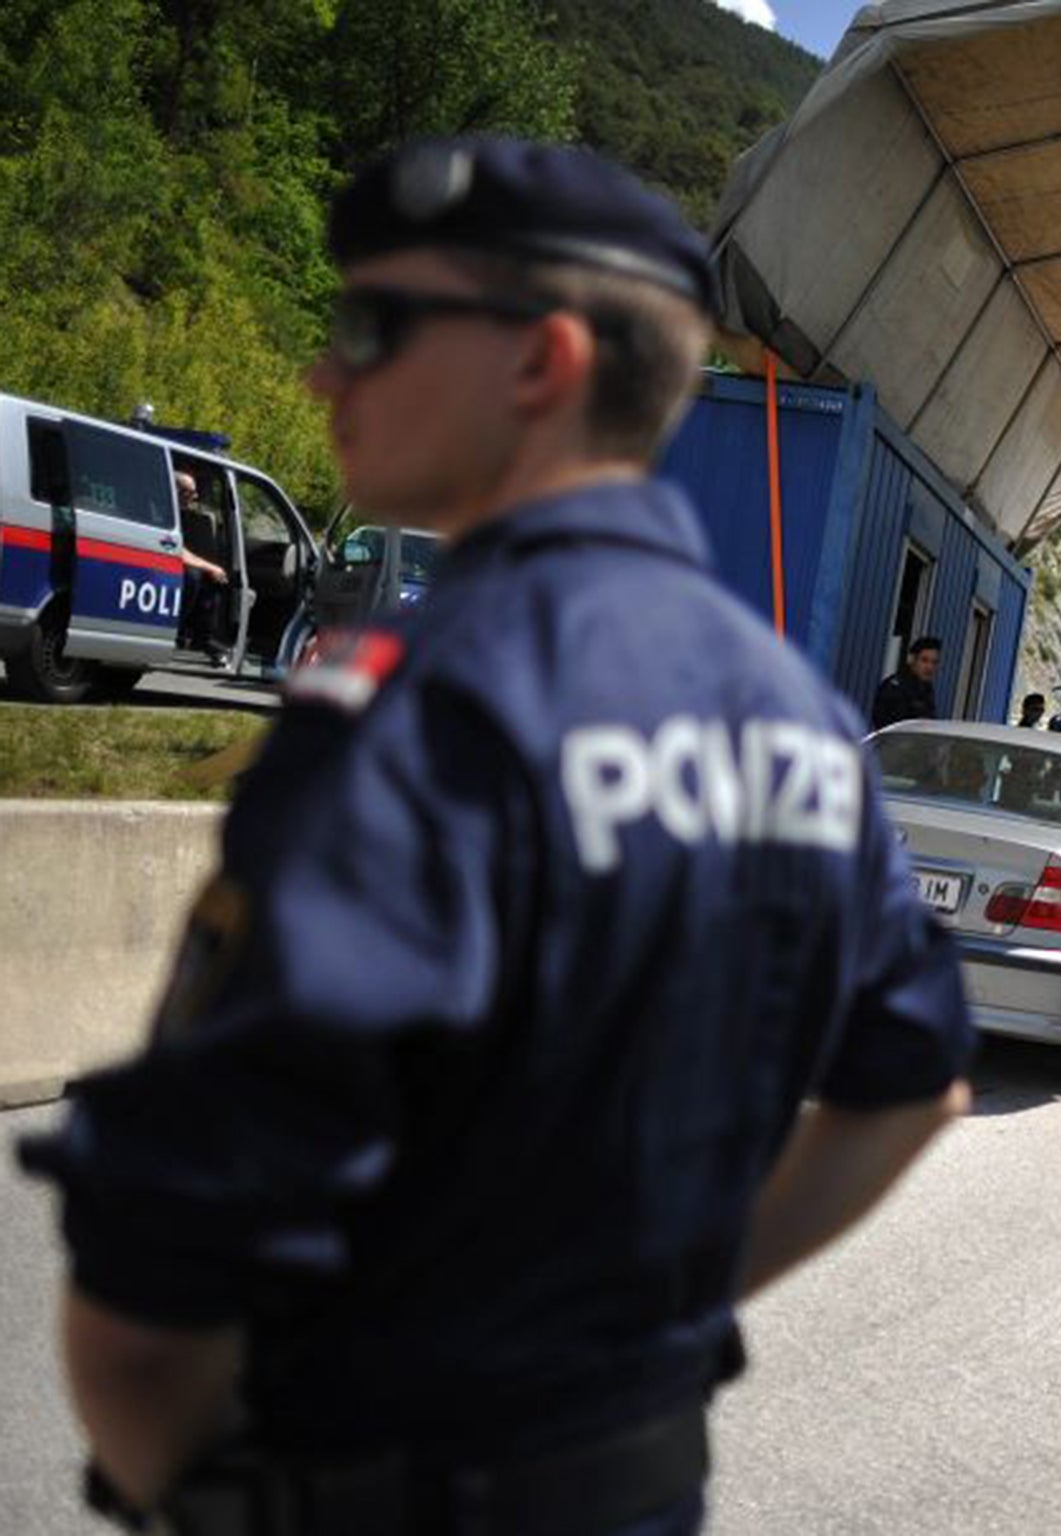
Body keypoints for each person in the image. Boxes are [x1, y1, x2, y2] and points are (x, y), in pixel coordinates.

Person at [18, 135, 973, 1536]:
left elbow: (153, 1288)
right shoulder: (803, 725)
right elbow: (912, 1088)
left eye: (375, 326)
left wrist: (216, 1497)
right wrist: (665, 1308)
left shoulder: (422, 710)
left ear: (542, 364)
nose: (321, 373)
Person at [174, 470, 229, 661]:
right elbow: (177, 550)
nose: (195, 496)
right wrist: (211, 567)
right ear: (175, 491)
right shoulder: (162, 509)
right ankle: (177, 630)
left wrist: (211, 569)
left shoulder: (185, 514)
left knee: (209, 581)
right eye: (189, 492)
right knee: (192, 575)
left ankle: (203, 639)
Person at [870, 635, 940, 729]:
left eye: (934, 662)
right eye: (924, 660)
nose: (930, 667)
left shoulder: (926, 689)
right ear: (912, 659)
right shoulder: (895, 687)